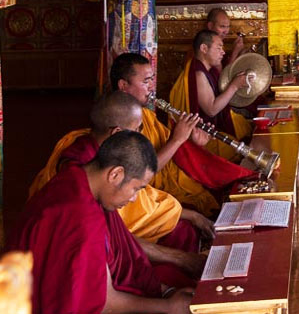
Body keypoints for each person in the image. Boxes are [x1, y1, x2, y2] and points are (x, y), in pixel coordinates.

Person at [27, 92, 207, 281]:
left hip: (116, 239)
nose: (141, 135)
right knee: (170, 271)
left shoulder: (108, 160)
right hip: (85, 261)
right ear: (117, 133)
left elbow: (123, 220)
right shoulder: (84, 173)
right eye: (137, 129)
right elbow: (108, 237)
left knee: (183, 232)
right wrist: (180, 260)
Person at [9, 131, 194, 314]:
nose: (134, 199)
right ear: (115, 174)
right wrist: (168, 307)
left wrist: (167, 293)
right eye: (136, 189)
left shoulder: (75, 175)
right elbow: (102, 303)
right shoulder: (82, 220)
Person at [111, 53, 259, 216]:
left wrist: (193, 141)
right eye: (146, 81)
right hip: (149, 196)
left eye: (152, 79)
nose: (152, 87)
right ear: (123, 85)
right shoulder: (119, 121)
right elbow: (140, 174)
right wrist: (177, 139)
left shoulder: (146, 114)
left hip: (176, 181)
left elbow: (172, 148)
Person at [169, 30, 252, 160]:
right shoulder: (198, 74)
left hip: (212, 130)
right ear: (204, 48)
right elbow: (211, 109)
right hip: (203, 137)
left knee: (248, 129)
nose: (223, 52)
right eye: (219, 48)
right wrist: (234, 86)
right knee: (242, 148)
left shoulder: (208, 70)